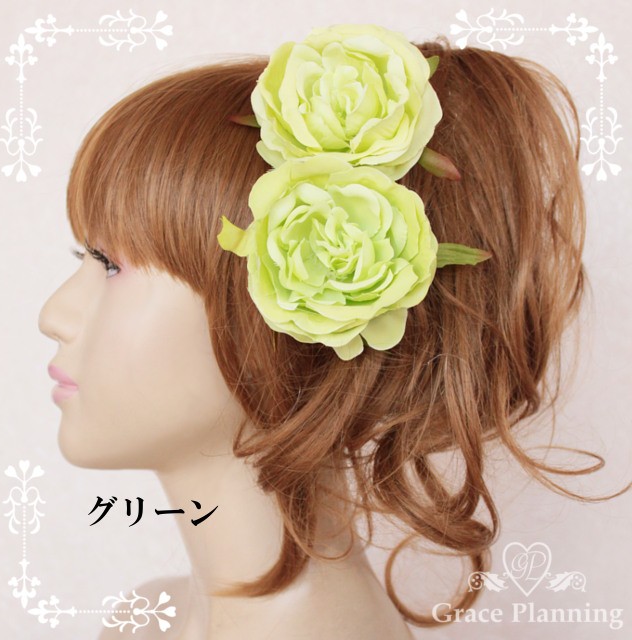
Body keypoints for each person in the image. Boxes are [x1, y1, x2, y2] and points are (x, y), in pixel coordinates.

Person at [37, 24, 628, 640]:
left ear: (290, 299)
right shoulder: (146, 618)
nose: (54, 315)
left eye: (109, 264)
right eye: (82, 257)